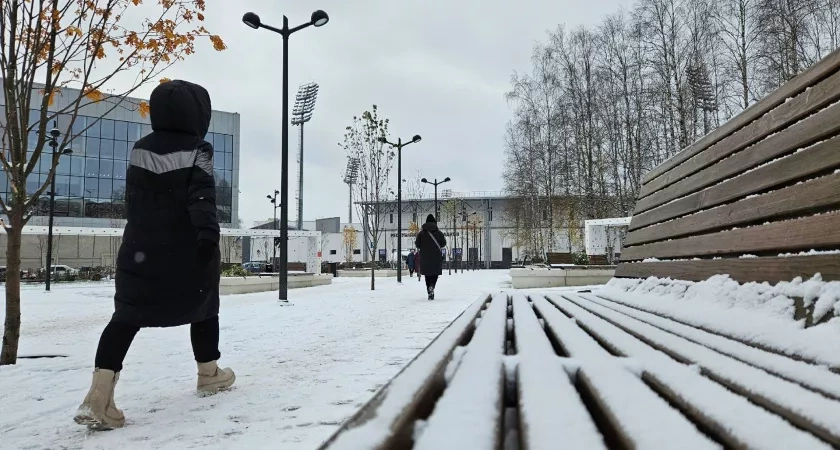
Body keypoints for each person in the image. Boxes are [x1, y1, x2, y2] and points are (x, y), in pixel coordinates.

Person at [74, 80, 235, 430]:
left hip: (140, 249)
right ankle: (209, 372)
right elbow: (202, 197)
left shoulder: (139, 149)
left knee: (126, 317)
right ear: (198, 113)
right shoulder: (200, 149)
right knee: (205, 305)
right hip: (185, 245)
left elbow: (139, 200)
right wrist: (208, 237)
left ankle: (99, 396)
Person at [415, 214, 447, 300]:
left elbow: (417, 244)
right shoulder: (439, 233)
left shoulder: (421, 233)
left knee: (427, 275)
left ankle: (429, 291)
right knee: (434, 274)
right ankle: (432, 286)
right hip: (436, 257)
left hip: (425, 257)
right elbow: (443, 244)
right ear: (434, 222)